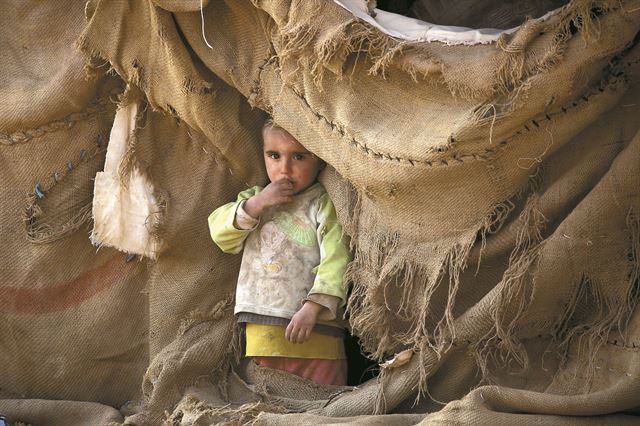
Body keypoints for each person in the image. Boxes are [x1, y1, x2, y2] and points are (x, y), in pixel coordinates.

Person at [208, 119, 351, 386]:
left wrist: (314, 307)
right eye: (274, 155)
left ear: (320, 160)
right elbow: (219, 234)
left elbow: (338, 257)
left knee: (322, 402)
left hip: (317, 332)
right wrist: (257, 204)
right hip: (264, 331)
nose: (284, 169)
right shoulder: (257, 199)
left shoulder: (323, 203)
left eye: (299, 156)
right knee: (271, 403)